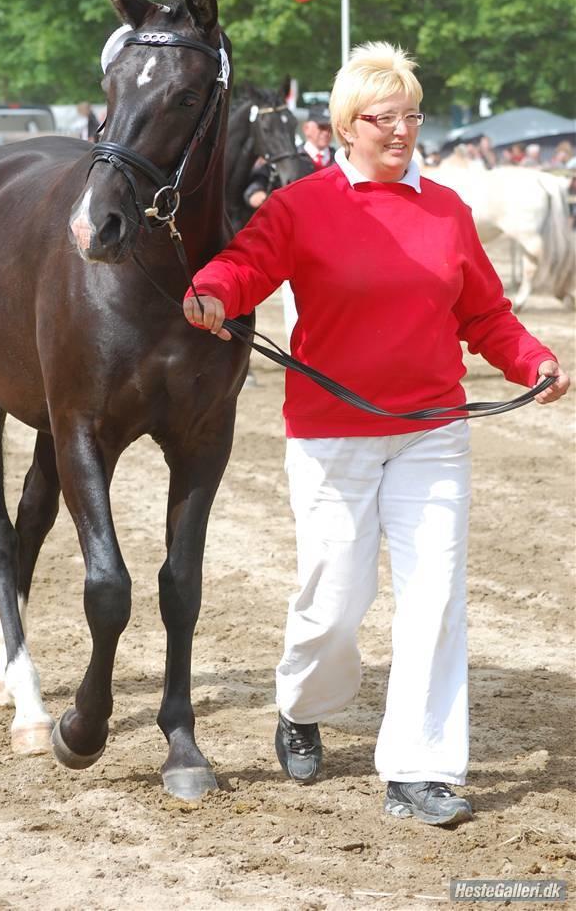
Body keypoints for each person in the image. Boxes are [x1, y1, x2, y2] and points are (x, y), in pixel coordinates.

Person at [182, 41, 569, 827]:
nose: (401, 131)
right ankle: (301, 703)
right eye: (382, 118)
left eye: (411, 115)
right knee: (335, 600)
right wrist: (211, 293)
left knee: (435, 599)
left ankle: (419, 770)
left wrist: (532, 359)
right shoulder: (302, 205)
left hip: (433, 431)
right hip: (331, 436)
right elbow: (244, 267)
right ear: (346, 126)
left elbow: (485, 313)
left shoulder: (448, 210)